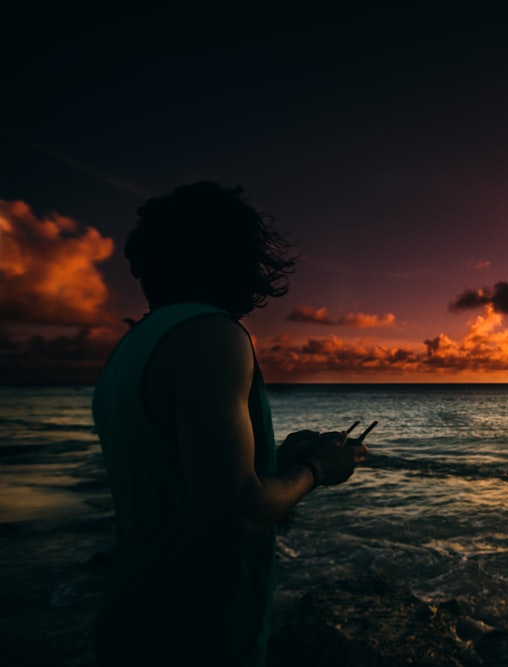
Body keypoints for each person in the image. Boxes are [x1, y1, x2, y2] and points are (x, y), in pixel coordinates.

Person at [91, 182, 367, 666]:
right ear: (234, 258)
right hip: (193, 631)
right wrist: (318, 471)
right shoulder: (211, 336)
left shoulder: (131, 349)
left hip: (135, 614)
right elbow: (232, 516)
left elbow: (178, 480)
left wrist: (278, 461)